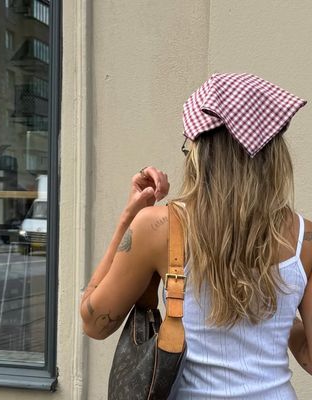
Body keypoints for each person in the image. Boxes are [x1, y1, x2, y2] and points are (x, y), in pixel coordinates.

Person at [80, 73, 312, 399]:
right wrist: (281, 321)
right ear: (274, 155)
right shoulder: (305, 238)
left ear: (200, 152)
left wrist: (129, 217)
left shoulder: (159, 227)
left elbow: (94, 323)